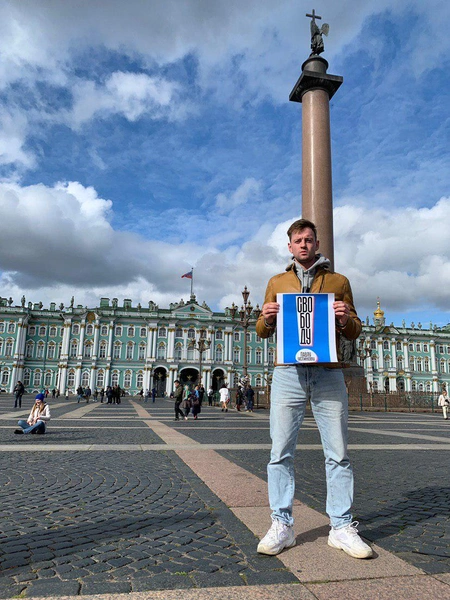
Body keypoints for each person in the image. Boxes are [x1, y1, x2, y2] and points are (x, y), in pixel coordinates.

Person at [255, 218, 372, 559]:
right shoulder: (276, 281)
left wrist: (342, 318)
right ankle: (282, 524)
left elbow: (354, 330)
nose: (304, 244)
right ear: (289, 247)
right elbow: (262, 331)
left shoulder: (339, 281)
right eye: (298, 240)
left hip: (328, 373)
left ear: (317, 244)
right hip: (289, 373)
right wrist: (267, 316)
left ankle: (341, 526)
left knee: (338, 452)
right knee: (280, 452)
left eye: (309, 239)